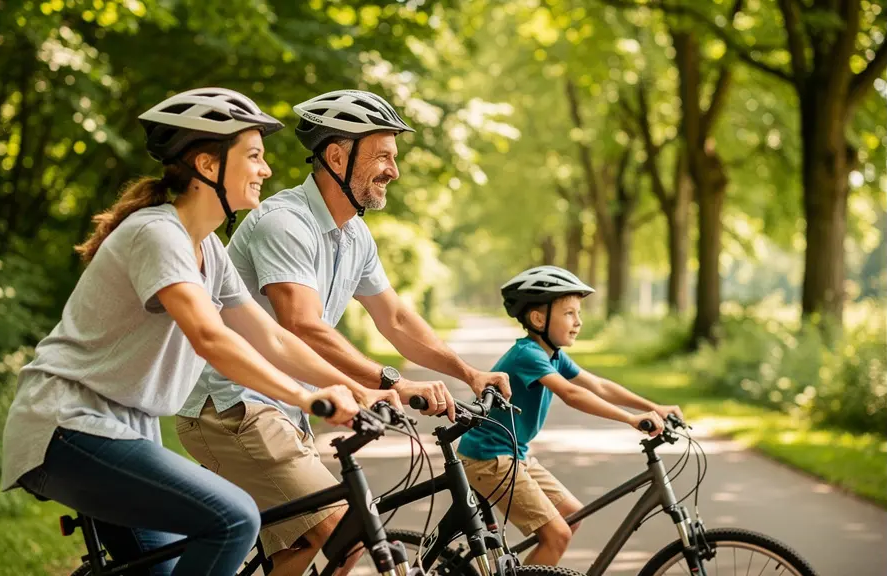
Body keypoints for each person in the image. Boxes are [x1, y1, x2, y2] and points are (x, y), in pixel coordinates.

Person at [0, 87, 387, 576]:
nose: (266, 169)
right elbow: (212, 337)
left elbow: (269, 337)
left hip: (125, 432)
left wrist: (355, 389)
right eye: (254, 156)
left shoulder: (210, 250)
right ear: (208, 165)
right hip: (68, 426)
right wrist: (307, 398)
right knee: (232, 519)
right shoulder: (157, 234)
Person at [175, 88, 511, 576]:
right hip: (232, 408)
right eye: (383, 156)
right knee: (346, 535)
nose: (394, 170)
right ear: (337, 155)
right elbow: (303, 324)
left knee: (299, 547)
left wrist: (468, 373)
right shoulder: (285, 223)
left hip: (284, 411)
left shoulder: (355, 234)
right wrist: (391, 383)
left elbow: (394, 319)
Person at [456, 265, 684, 566]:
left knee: (572, 517)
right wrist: (630, 419)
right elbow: (572, 394)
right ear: (539, 318)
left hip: (512, 455)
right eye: (569, 314)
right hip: (489, 457)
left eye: (578, 313)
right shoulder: (528, 355)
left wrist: (653, 407)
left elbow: (598, 385)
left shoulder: (551, 354)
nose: (578, 322)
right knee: (558, 535)